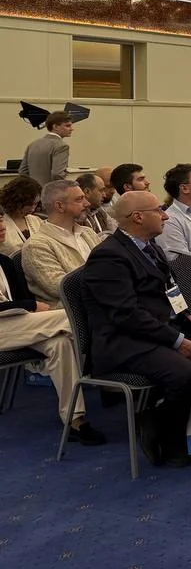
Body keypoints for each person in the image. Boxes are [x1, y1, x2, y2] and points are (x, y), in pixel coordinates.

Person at [80, 191, 191, 467]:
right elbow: (126, 314)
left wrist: (185, 314)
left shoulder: (149, 246)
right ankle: (168, 434)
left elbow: (167, 289)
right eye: (158, 210)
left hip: (156, 328)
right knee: (186, 375)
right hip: (124, 341)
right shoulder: (108, 257)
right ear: (138, 217)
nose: (165, 215)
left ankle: (160, 416)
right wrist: (177, 340)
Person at [0, 218, 106, 446]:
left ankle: (74, 419)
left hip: (18, 325)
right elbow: (24, 303)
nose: (2, 226)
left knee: (60, 343)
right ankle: (111, 340)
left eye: (1, 220)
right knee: (70, 318)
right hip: (5, 326)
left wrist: (28, 306)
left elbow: (20, 297)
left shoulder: (5, 262)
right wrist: (30, 305)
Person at [23, 179, 104, 307]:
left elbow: (109, 265)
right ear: (60, 206)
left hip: (101, 302)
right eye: (79, 199)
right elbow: (62, 287)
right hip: (68, 312)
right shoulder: (36, 245)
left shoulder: (87, 232)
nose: (87, 203)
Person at [19, 110, 74, 184]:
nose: (72, 129)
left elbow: (23, 171)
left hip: (33, 189)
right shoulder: (62, 146)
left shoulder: (33, 144)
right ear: (55, 127)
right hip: (51, 189)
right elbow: (57, 174)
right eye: (67, 126)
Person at [0, 175, 44, 257]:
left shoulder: (36, 220)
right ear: (15, 201)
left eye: (35, 204)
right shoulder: (2, 224)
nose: (32, 209)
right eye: (28, 204)